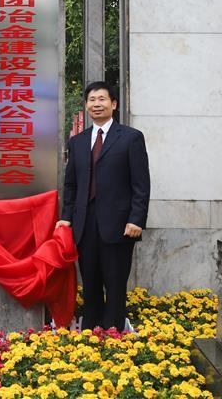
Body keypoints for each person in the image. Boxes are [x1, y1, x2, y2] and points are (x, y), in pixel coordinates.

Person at [57, 81, 150, 331]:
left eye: (102, 99)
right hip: (84, 224)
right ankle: (90, 329)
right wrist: (66, 217)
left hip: (119, 224)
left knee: (115, 282)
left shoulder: (131, 138)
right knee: (90, 281)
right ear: (86, 105)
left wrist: (136, 219)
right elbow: (71, 185)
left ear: (113, 104)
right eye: (92, 100)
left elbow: (141, 184)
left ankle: (113, 331)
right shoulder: (77, 142)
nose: (96, 104)